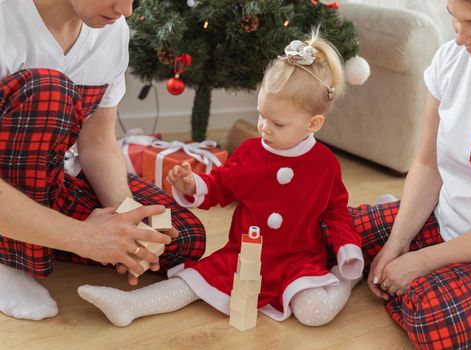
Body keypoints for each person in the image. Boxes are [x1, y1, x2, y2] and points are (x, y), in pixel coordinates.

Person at [77, 29, 364, 327]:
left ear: (313, 123)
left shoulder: (324, 164)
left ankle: (344, 281)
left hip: (299, 262)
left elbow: (336, 213)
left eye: (277, 123)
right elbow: (221, 185)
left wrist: (348, 253)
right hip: (242, 255)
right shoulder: (251, 152)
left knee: (314, 314)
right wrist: (192, 185)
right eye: (261, 115)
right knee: (192, 280)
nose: (264, 127)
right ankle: (130, 304)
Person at [0, 0, 205, 322]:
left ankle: (41, 235)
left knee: (178, 238)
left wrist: (128, 218)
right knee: (51, 91)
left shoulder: (112, 31)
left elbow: (96, 140)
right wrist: (85, 238)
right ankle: (10, 260)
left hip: (53, 180)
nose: (125, 10)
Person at [349, 0, 471, 348]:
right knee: (327, 229)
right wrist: (396, 245)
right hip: (442, 220)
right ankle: (433, 279)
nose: (461, 37)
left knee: (437, 318)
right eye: (454, 18)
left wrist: (421, 261)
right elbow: (428, 166)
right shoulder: (450, 59)